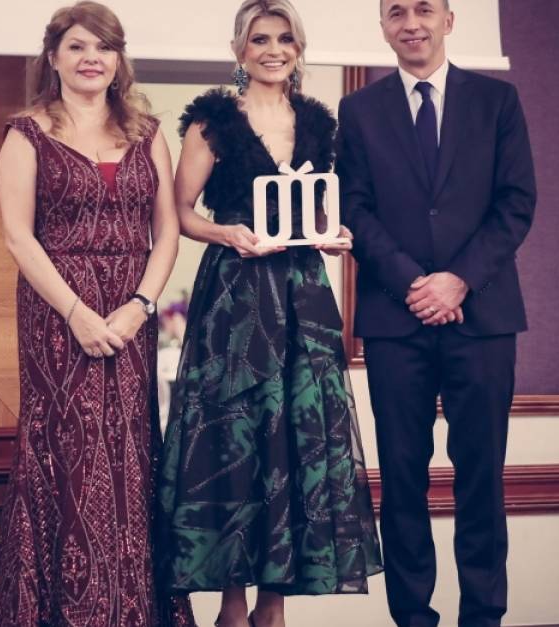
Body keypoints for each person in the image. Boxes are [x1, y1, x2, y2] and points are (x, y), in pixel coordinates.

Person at [156, 1, 384, 625]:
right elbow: (179, 212)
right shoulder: (212, 121)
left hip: (303, 296)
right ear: (240, 50)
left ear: (298, 49)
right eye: (260, 39)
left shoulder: (316, 122)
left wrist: (331, 234)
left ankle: (273, 606)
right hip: (235, 294)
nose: (274, 49)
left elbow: (313, 210)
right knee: (237, 431)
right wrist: (227, 234)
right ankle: (233, 606)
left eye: (285, 38)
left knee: (295, 436)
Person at [0, 2, 191, 625]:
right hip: (56, 316)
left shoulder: (148, 134)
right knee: (65, 452)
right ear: (54, 57)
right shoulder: (26, 134)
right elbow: (18, 237)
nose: (91, 58)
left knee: (129, 453)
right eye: (77, 47)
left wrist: (140, 307)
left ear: (119, 59)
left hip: (131, 316)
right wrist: (76, 313)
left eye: (103, 47)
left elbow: (167, 233)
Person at [335, 0, 537, 625]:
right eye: (396, 12)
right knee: (401, 480)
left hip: (484, 319)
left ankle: (483, 616)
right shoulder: (358, 110)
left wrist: (458, 281)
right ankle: (413, 618)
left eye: (424, 8)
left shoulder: (497, 102)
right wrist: (414, 284)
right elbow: (354, 208)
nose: (411, 23)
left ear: (449, 20)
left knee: (482, 478)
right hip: (395, 323)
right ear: (383, 27)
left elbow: (516, 203)